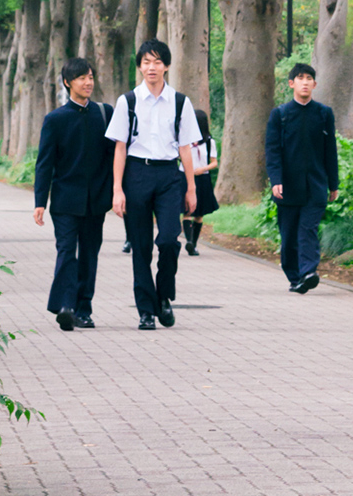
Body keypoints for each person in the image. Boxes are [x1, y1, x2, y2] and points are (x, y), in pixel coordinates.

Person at [106, 40, 201, 330]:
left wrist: (191, 187)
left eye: (157, 62)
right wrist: (117, 189)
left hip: (169, 176)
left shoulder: (181, 102)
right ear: (140, 66)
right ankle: (146, 311)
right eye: (146, 62)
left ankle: (164, 296)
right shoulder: (128, 102)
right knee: (142, 247)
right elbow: (120, 148)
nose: (151, 67)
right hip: (136, 174)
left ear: (167, 66)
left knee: (169, 240)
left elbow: (186, 148)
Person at [34, 58, 115, 331]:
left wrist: (117, 192)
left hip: (97, 200)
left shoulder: (105, 114)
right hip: (65, 200)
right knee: (67, 252)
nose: (88, 82)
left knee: (90, 255)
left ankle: (84, 309)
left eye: (90, 77)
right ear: (68, 82)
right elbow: (45, 163)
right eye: (81, 78)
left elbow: (115, 156)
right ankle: (66, 306)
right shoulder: (55, 119)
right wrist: (39, 202)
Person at [264, 64, 339, 293]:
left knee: (308, 229)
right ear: (291, 83)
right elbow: (273, 150)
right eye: (300, 78)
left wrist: (333, 183)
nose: (305, 82)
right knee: (288, 236)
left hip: (315, 185)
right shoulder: (281, 114)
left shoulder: (323, 114)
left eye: (309, 78)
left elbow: (330, 150)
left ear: (314, 84)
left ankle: (308, 272)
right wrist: (276, 180)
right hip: (287, 186)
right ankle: (295, 276)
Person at [183, 108, 221, 256]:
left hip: (202, 178)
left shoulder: (209, 142)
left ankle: (194, 243)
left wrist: (202, 168)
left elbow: (214, 162)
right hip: (185, 177)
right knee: (187, 211)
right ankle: (188, 241)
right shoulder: (185, 140)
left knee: (199, 214)